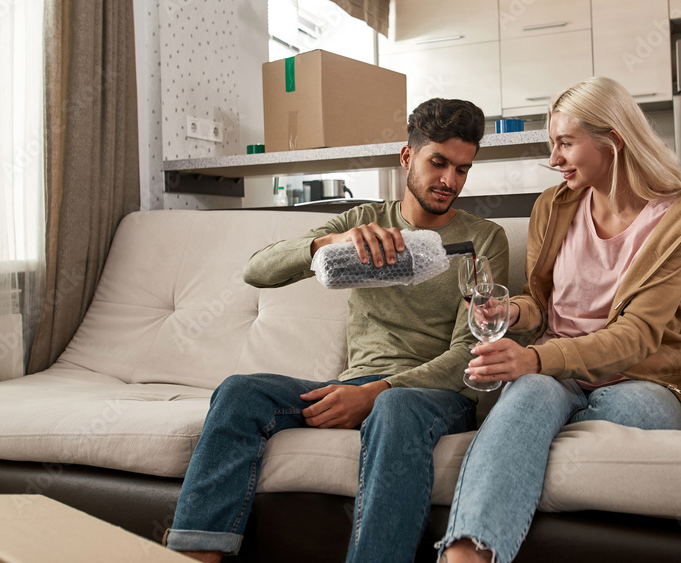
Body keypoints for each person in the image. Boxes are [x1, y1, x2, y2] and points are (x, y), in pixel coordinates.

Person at [164, 98, 510, 563]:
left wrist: (376, 393)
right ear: (407, 157)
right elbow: (256, 270)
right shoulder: (361, 222)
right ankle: (195, 556)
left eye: (463, 169)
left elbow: (469, 357)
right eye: (439, 163)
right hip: (354, 385)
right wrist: (328, 242)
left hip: (428, 398)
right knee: (238, 393)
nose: (450, 181)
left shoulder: (484, 239)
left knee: (393, 406)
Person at [436, 77, 681, 563]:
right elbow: (542, 305)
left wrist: (533, 359)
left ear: (613, 140)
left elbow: (637, 336)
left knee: (624, 416)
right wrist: (512, 311)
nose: (553, 158)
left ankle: (517, 450)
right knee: (528, 397)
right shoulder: (554, 205)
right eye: (553, 143)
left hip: (642, 378)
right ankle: (465, 557)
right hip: (554, 373)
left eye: (565, 143)